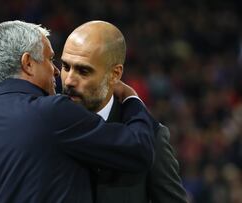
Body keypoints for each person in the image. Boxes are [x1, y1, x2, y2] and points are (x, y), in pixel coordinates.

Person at [0, 20, 156, 203]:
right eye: (50, 59)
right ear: (28, 63)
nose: (56, 70)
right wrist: (131, 99)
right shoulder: (53, 113)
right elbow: (138, 148)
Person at [60, 21, 188, 202]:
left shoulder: (152, 138)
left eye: (83, 71)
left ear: (115, 74)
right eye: (66, 67)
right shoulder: (46, 124)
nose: (69, 81)